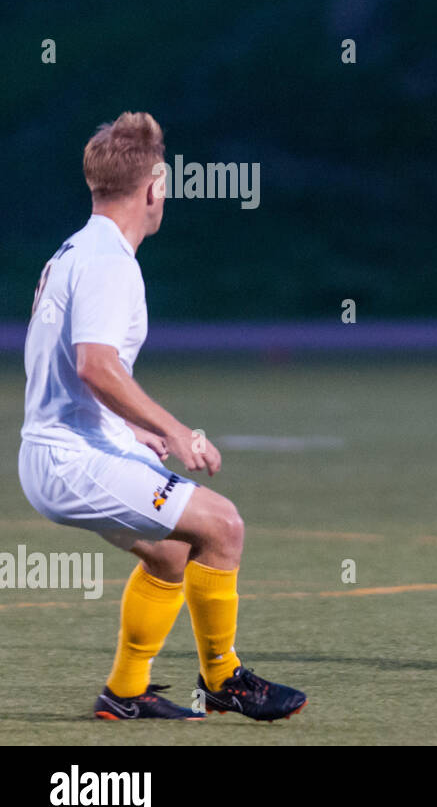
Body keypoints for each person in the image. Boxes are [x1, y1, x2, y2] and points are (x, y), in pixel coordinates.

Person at [18, 111, 307, 720]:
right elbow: (95, 365)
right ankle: (224, 678)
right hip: (71, 457)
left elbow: (73, 374)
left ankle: (124, 693)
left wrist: (133, 430)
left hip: (68, 447)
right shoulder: (108, 262)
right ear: (153, 186)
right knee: (223, 525)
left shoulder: (80, 249)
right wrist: (177, 431)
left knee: (173, 551)